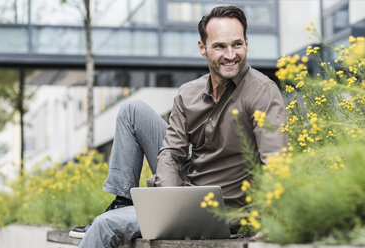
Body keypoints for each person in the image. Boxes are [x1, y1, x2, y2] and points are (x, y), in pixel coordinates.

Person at [70, 5, 288, 247]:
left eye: (237, 44)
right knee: (132, 111)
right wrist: (171, 206)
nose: (230, 54)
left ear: (247, 42)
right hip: (183, 189)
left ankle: (129, 215)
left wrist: (272, 219)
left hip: (216, 210)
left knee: (104, 225)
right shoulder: (188, 93)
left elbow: (276, 161)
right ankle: (124, 202)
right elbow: (171, 153)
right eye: (219, 46)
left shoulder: (263, 92)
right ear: (202, 48)